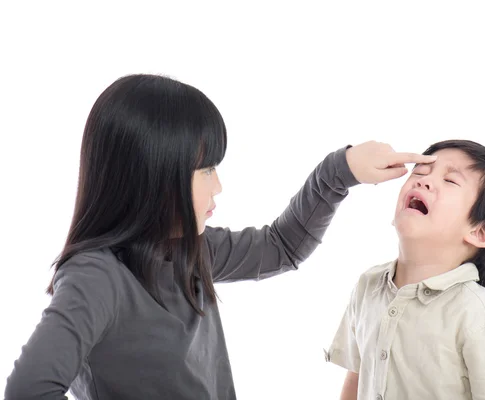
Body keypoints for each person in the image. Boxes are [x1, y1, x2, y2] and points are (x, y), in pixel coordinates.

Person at [4, 74, 436, 400]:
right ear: (153, 176)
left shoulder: (191, 248)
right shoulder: (97, 275)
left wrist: (341, 171)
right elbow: (28, 390)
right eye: (206, 170)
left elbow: (281, 248)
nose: (218, 187)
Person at [326, 139, 485, 400]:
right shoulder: (368, 285)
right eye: (419, 172)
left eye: (451, 181)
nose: (423, 181)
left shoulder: (478, 316)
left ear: (479, 231)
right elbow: (356, 378)